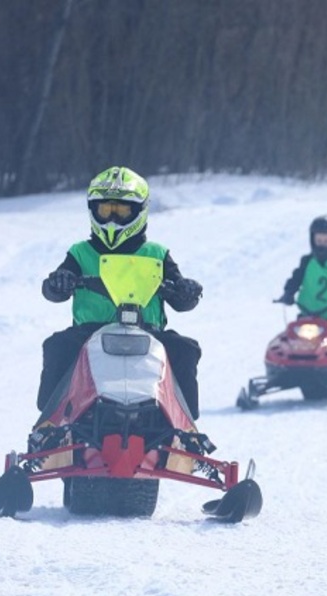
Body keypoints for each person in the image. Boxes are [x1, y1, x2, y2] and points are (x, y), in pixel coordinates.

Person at [36, 166, 204, 418]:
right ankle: (50, 423)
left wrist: (185, 291)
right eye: (105, 211)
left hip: (149, 335)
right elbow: (52, 292)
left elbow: (182, 301)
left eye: (121, 211)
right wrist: (59, 282)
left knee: (184, 349)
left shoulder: (157, 254)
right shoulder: (80, 252)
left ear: (139, 211)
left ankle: (184, 427)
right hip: (89, 333)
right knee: (58, 346)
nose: (112, 219)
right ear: (93, 210)